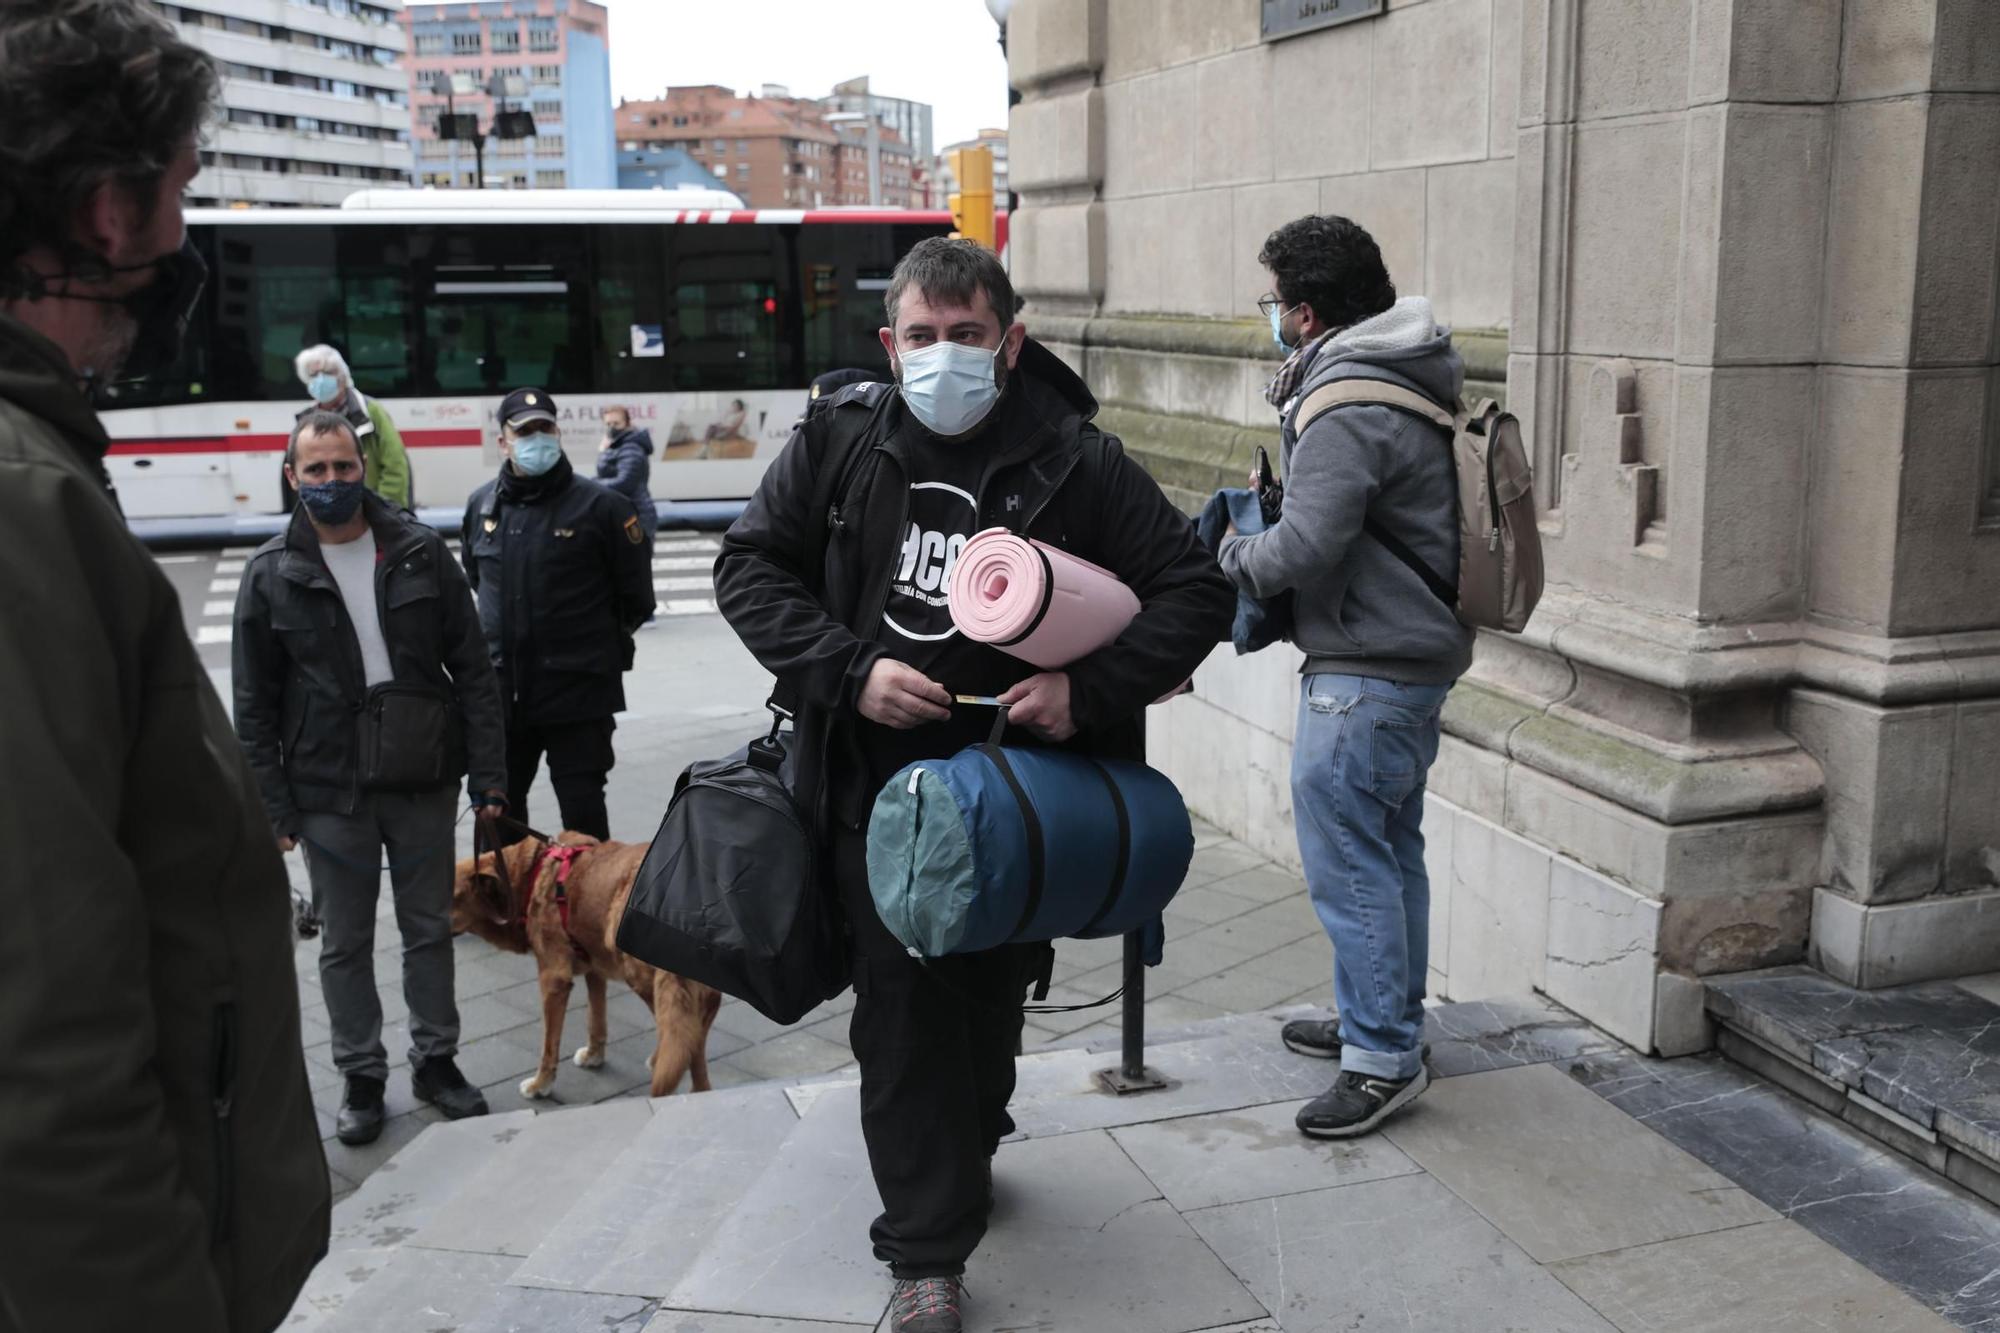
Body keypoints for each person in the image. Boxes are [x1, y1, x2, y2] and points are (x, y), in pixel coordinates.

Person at [715, 237, 1232, 1333]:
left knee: (990, 997)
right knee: (900, 1021)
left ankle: (966, 1144)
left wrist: (1081, 690)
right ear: (887, 343)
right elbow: (747, 568)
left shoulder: (1073, 460)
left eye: (964, 336)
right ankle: (924, 1255)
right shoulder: (842, 439)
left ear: (1010, 341)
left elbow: (1194, 590)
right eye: (920, 337)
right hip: (875, 790)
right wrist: (850, 672)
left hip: (1015, 797)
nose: (941, 356)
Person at [0, 2, 329, 1325]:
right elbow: (44, 1033)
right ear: (107, 212)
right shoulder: (23, 505)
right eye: (182, 191)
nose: (189, 234)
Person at [1217, 215, 1474, 1139]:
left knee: (1350, 862)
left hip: (1365, 671)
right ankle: (1384, 1020)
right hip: (1404, 661)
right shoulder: (1404, 374)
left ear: (1308, 311)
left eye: (1278, 304)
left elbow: (1308, 542)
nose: (1274, 319)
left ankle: (1380, 1060)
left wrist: (1234, 552)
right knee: (1389, 851)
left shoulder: (1345, 401)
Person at [234, 411, 511, 1143]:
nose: (331, 481)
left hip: (422, 776)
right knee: (343, 942)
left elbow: (475, 670)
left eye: (343, 467)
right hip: (327, 791)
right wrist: (274, 807)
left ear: (365, 467)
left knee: (430, 930)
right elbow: (252, 706)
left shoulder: (419, 551)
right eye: (316, 470)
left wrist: (490, 778)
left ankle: (437, 1060)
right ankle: (360, 1074)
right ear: (293, 476)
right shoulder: (270, 572)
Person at [463, 387, 656, 841]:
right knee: (497, 823)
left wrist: (589, 646)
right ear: (503, 442)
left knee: (583, 824)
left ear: (559, 433)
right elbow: (477, 581)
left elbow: (636, 599)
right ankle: (507, 915)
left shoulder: (603, 507)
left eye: (545, 428)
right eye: (524, 431)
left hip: (579, 695)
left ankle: (583, 912)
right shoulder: (481, 506)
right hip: (503, 697)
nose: (537, 439)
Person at [290, 343, 412, 509]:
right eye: (314, 374)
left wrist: (384, 509)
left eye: (327, 373)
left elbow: (394, 464)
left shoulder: (371, 411)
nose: (320, 379)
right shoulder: (306, 421)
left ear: (342, 377)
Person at [596, 404, 658, 547]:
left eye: (616, 423)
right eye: (608, 424)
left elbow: (625, 483)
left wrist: (593, 485)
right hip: (625, 513)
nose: (612, 428)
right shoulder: (618, 445)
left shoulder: (631, 447)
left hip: (636, 516)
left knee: (635, 565)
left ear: (627, 423)